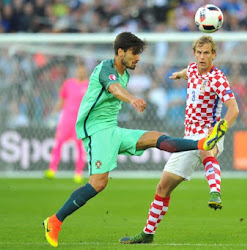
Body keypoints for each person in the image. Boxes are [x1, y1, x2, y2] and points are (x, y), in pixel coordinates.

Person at [42, 32, 223, 248]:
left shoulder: (125, 72)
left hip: (113, 129)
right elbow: (114, 89)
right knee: (99, 184)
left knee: (155, 138)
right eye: (134, 53)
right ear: (121, 52)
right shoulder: (105, 69)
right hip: (96, 131)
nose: (138, 58)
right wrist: (133, 99)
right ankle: (54, 221)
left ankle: (202, 143)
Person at [119, 35, 239, 244]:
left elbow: (234, 109)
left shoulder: (218, 78)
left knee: (205, 151)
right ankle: (147, 233)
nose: (202, 57)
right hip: (188, 138)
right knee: (162, 187)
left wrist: (221, 129)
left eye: (206, 53)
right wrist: (178, 74)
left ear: (214, 54)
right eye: (199, 53)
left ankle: (215, 192)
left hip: (210, 133)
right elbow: (188, 73)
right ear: (194, 53)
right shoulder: (192, 69)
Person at [44, 63, 89, 183]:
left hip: (80, 121)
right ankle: (52, 169)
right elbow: (62, 100)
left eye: (83, 71)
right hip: (66, 120)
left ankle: (78, 173)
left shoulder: (89, 86)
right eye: (79, 71)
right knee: (58, 143)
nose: (81, 73)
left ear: (85, 72)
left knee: (80, 147)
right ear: (76, 72)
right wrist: (53, 114)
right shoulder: (68, 84)